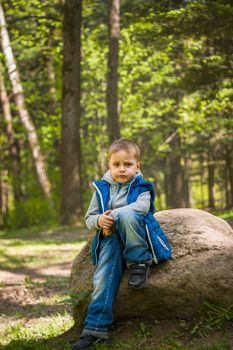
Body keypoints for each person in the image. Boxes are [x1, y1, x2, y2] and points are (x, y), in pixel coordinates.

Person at [73, 138, 172, 350]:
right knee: (102, 277)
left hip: (136, 235)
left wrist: (112, 215)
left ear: (137, 166)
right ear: (109, 165)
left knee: (128, 214)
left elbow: (141, 209)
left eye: (127, 164)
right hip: (110, 237)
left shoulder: (142, 187)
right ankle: (94, 328)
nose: (122, 169)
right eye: (116, 164)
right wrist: (100, 221)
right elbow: (90, 218)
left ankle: (139, 261)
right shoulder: (101, 189)